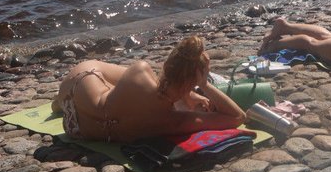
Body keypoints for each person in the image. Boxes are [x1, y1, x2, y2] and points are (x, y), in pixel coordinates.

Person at [51, 35, 245, 143]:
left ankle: (60, 101)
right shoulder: (175, 122)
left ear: (167, 66)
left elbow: (159, 88)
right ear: (193, 81)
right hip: (78, 128)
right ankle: (62, 103)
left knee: (124, 83)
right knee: (121, 95)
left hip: (78, 83)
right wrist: (204, 86)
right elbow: (237, 117)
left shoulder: (141, 72)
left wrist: (188, 92)